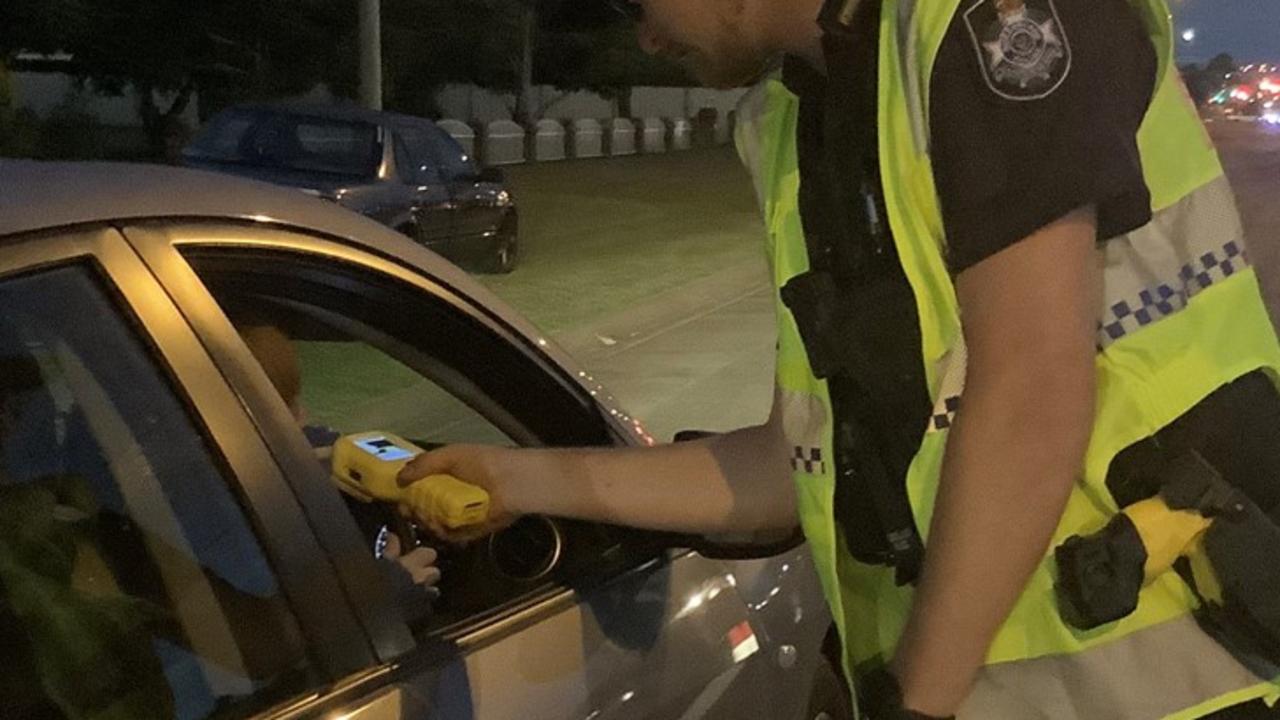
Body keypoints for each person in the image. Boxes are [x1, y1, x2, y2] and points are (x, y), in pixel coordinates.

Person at [399, 0, 1280, 718]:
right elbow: (792, 467)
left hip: (1169, 684)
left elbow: (1033, 395)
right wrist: (514, 480)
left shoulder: (988, 26)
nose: (643, 34)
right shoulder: (798, 121)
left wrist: (916, 705)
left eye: (639, 2)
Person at [236, 325, 442, 611]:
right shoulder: (223, 520)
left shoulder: (312, 455)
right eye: (284, 406)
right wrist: (383, 593)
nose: (302, 415)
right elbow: (262, 625)